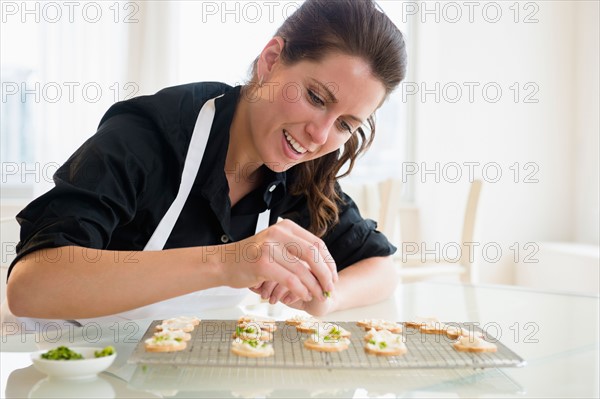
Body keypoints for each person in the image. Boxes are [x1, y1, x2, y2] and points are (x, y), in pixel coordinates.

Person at [4, 0, 407, 327]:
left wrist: (324, 299)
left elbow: (382, 267)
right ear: (270, 60)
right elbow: (31, 287)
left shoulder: (300, 172)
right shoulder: (147, 137)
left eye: (344, 124)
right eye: (316, 98)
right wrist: (228, 262)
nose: (319, 136)